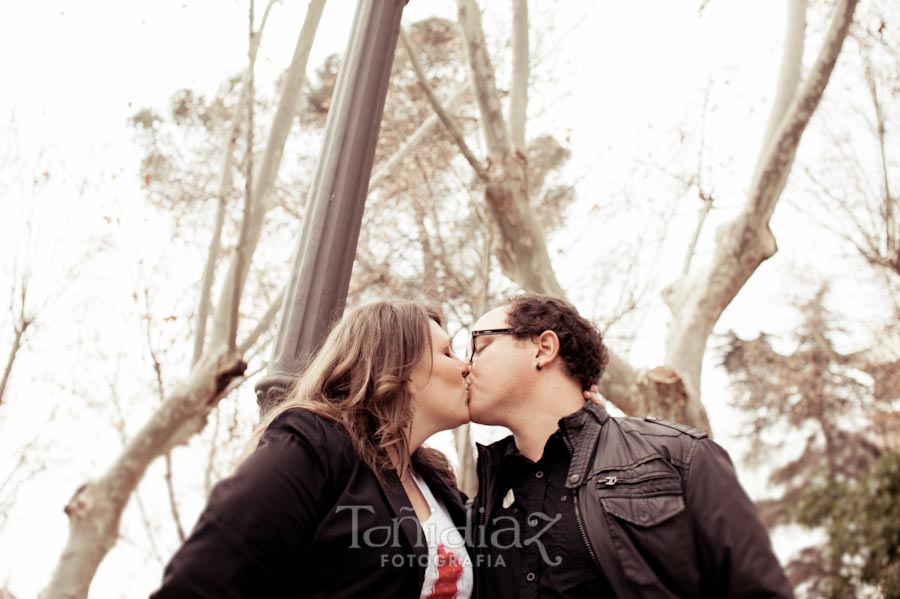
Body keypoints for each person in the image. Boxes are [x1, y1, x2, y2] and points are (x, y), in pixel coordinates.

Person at [465, 293, 794, 599]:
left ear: (543, 348)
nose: (467, 365)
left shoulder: (680, 456)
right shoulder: (480, 502)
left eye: (481, 346)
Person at [151, 301, 474, 599]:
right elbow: (202, 581)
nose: (464, 367)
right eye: (448, 353)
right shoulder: (312, 445)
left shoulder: (438, 483)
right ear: (400, 370)